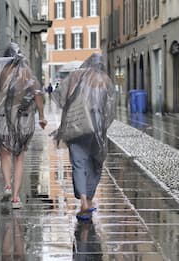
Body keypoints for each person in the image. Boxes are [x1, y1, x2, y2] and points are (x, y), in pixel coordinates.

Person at [0, 42, 47, 209]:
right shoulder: (26, 73)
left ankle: (7, 185)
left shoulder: (1, 72)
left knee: (4, 153)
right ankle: (15, 199)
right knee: (18, 157)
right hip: (23, 119)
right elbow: (37, 95)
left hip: (4, 117)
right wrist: (41, 116)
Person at [51, 53, 116, 220]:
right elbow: (109, 109)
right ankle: (89, 197)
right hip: (96, 127)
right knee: (96, 162)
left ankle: (84, 202)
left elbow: (60, 97)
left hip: (75, 124)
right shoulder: (104, 80)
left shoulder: (75, 76)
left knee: (78, 164)